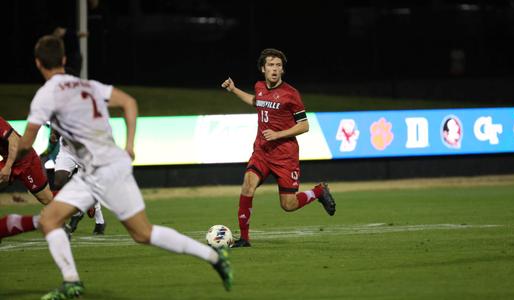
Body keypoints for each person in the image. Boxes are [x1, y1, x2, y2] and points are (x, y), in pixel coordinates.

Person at [17, 35, 232, 299]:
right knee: (50, 219)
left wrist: (11, 160)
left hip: (106, 171)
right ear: (63, 60)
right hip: (96, 170)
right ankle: (71, 282)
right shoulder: (87, 85)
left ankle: (213, 256)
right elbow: (129, 102)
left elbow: (26, 142)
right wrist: (129, 144)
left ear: (38, 63)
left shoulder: (45, 95)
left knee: (143, 233)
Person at [220, 48, 336, 248]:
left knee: (288, 205)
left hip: (285, 156)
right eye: (271, 65)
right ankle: (244, 238)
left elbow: (304, 125)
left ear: (282, 70)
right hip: (262, 152)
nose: (274, 69)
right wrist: (233, 89)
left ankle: (318, 192)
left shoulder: (291, 94)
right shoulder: (259, 87)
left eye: (278, 65)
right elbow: (255, 101)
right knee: (248, 184)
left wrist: (278, 134)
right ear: (263, 69)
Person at [0, 117, 54, 241]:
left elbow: (13, 142)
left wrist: (7, 167)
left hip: (26, 161)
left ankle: (80, 201)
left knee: (47, 199)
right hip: (9, 160)